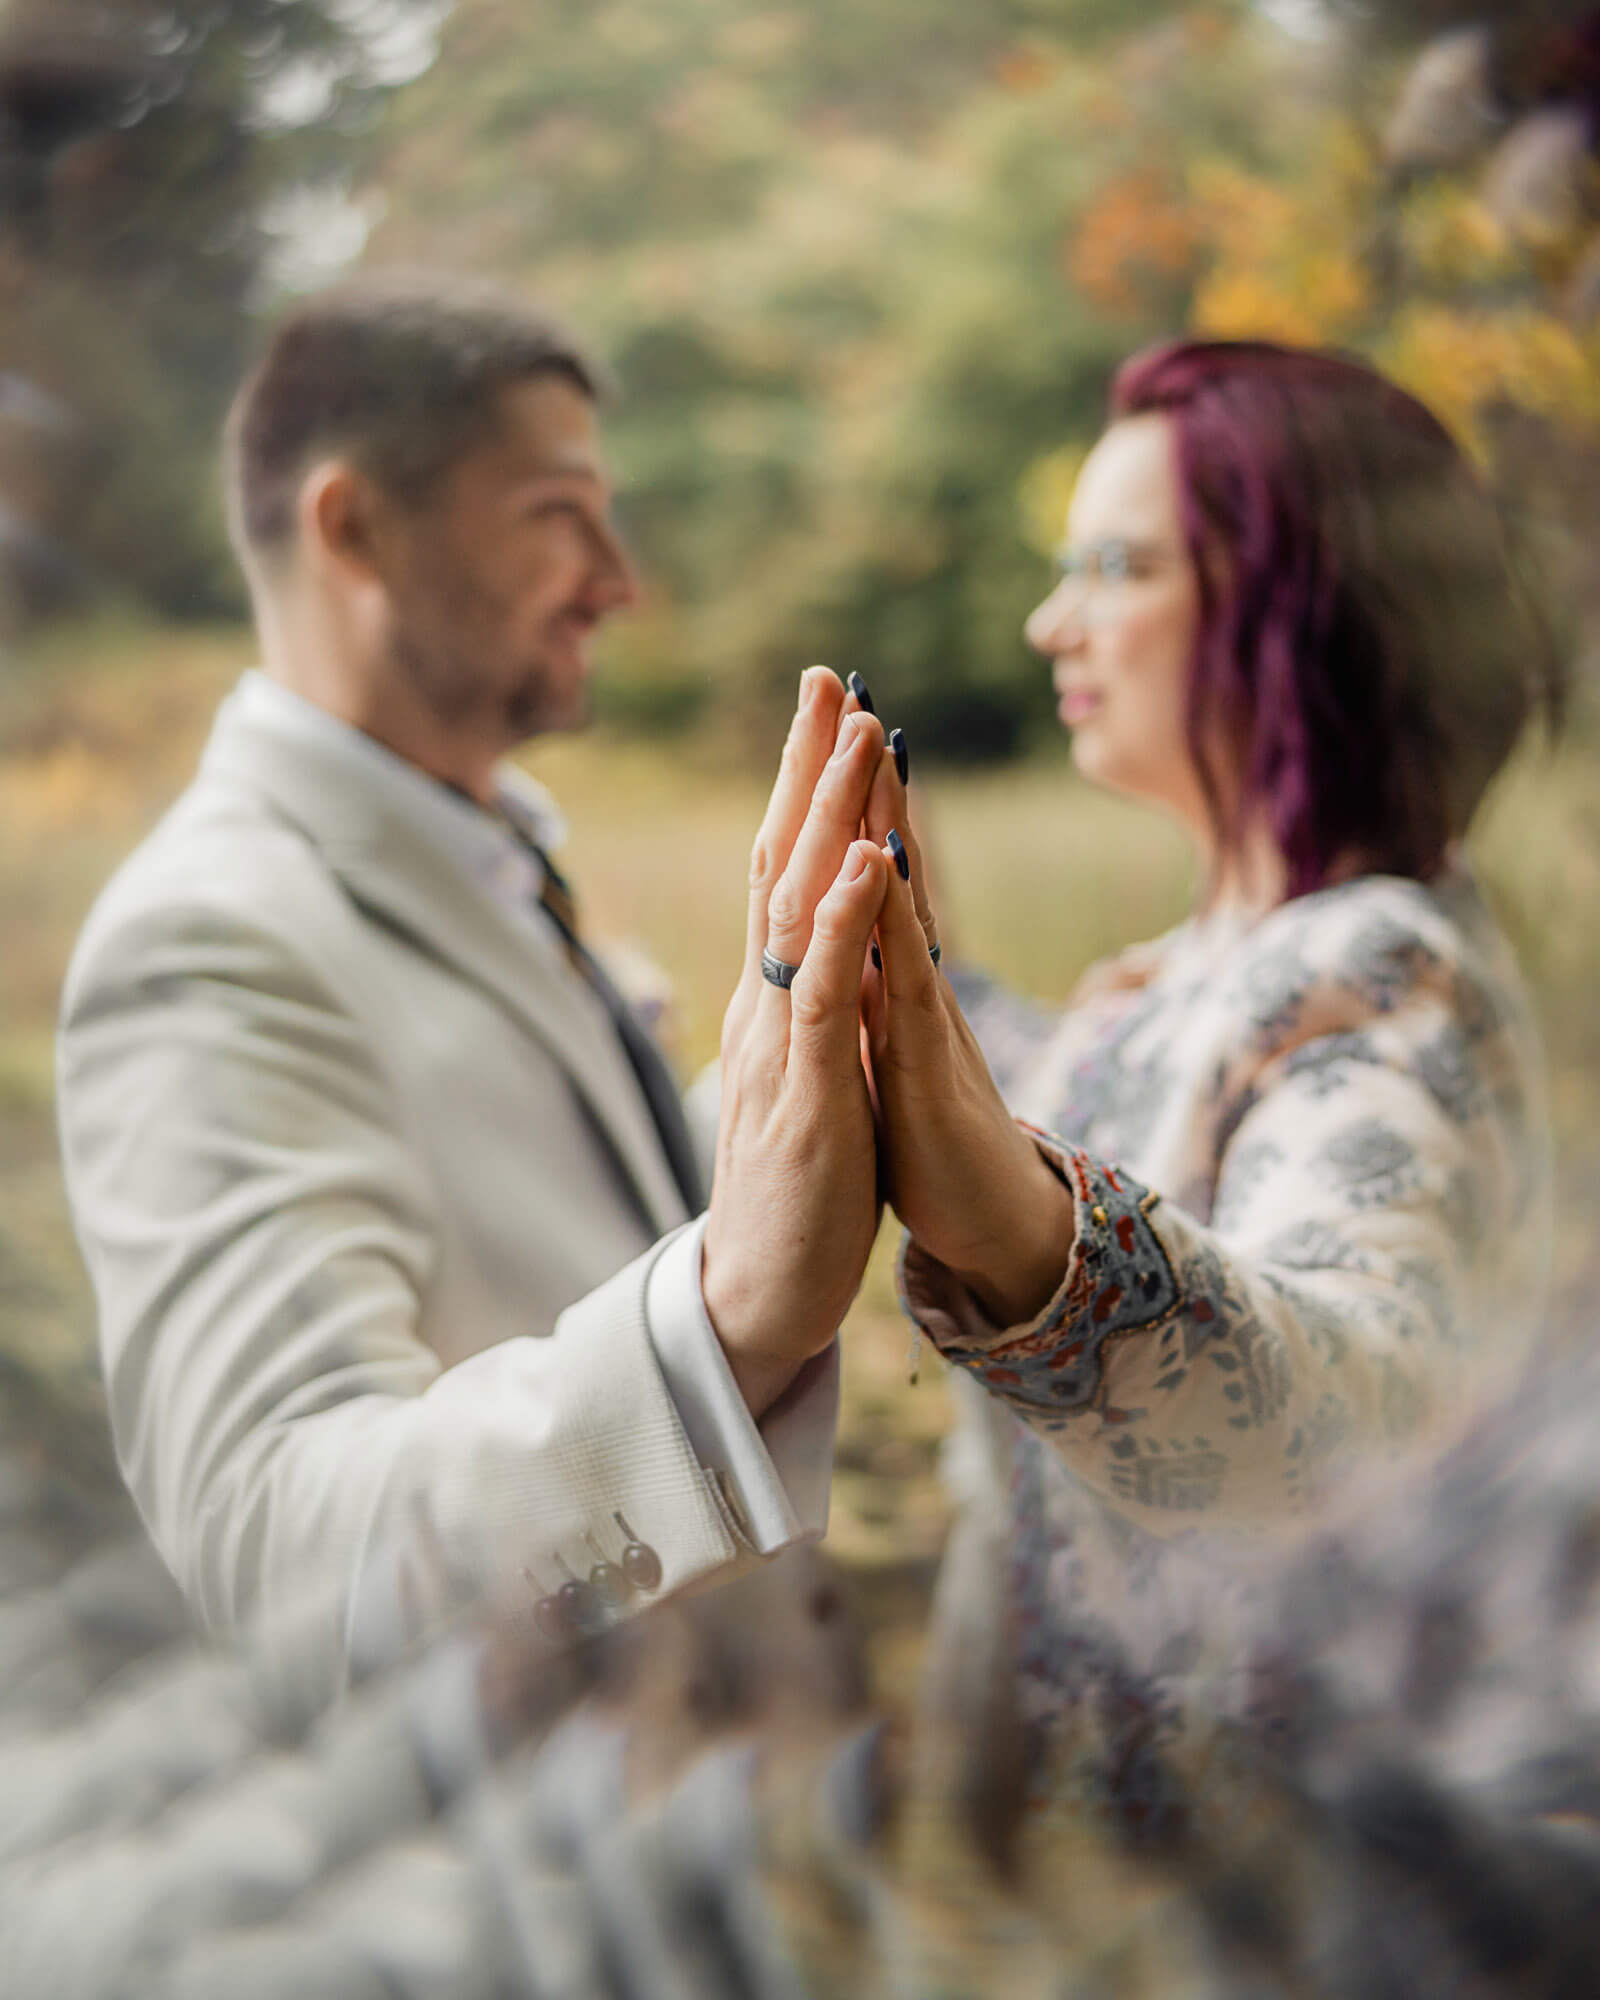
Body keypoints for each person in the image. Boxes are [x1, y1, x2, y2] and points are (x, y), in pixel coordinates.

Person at [55, 272, 898, 1693]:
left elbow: (553, 1245)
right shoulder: (205, 940)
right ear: (355, 526)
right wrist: (730, 1313)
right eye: (559, 514)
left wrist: (803, 1089)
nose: (620, 583)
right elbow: (283, 1564)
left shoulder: (486, 857)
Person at [842, 339, 1556, 1793]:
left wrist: (1031, 1242)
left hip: (1274, 1887)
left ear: (1301, 609)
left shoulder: (1381, 971)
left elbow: (1344, 1407)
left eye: (1118, 568)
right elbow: (1117, 1105)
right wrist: (910, 976)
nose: (1055, 622)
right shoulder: (1202, 962)